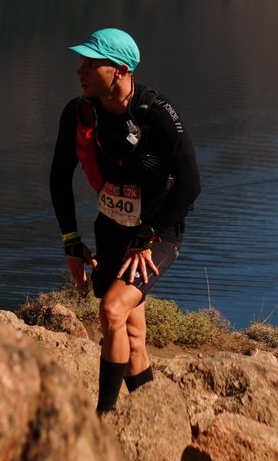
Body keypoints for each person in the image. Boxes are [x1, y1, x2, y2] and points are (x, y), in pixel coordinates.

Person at [49, 27, 201, 413]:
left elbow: (190, 184)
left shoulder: (157, 114)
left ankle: (105, 421)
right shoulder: (80, 112)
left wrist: (148, 234)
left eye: (91, 63)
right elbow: (58, 176)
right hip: (112, 229)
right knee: (132, 337)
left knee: (112, 311)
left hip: (156, 234)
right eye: (81, 61)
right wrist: (71, 241)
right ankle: (152, 419)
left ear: (119, 71)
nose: (80, 70)